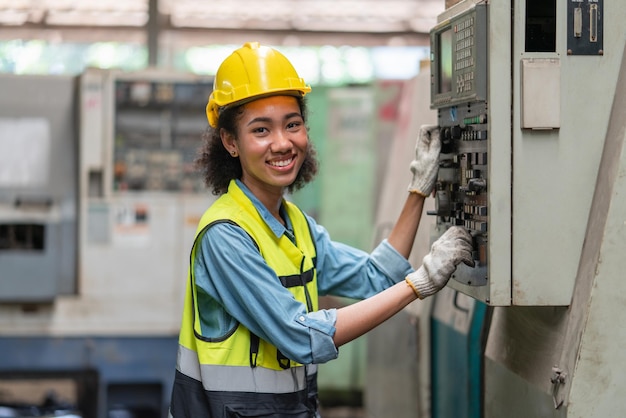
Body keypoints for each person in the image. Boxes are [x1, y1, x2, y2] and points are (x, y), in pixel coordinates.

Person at [169, 41, 474, 418]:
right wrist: (420, 284)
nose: (282, 143)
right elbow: (300, 336)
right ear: (231, 142)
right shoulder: (225, 235)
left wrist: (418, 190)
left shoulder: (296, 225)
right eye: (261, 130)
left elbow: (376, 278)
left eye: (292, 124)